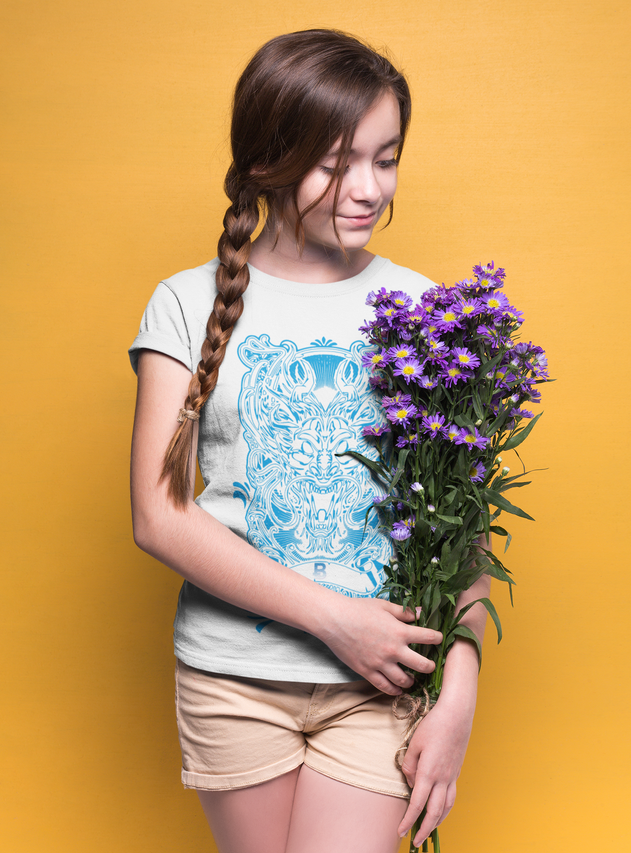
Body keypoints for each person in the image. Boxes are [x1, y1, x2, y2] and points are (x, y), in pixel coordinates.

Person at [129, 29, 490, 853]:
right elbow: (159, 515)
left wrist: (461, 692)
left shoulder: (422, 312)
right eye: (336, 163)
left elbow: (458, 523)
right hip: (230, 683)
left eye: (385, 158)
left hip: (381, 683)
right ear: (268, 160)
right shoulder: (186, 305)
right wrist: (336, 619)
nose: (367, 187)